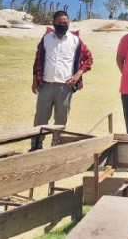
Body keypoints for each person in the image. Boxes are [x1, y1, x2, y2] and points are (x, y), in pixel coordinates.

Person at [30, 11, 93, 151]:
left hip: (65, 88)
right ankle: (36, 147)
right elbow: (38, 60)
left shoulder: (75, 40)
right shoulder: (46, 39)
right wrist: (35, 81)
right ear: (53, 23)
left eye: (66, 23)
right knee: (40, 119)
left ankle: (56, 148)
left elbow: (89, 59)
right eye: (60, 23)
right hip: (46, 86)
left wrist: (78, 74)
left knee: (61, 120)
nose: (63, 25)